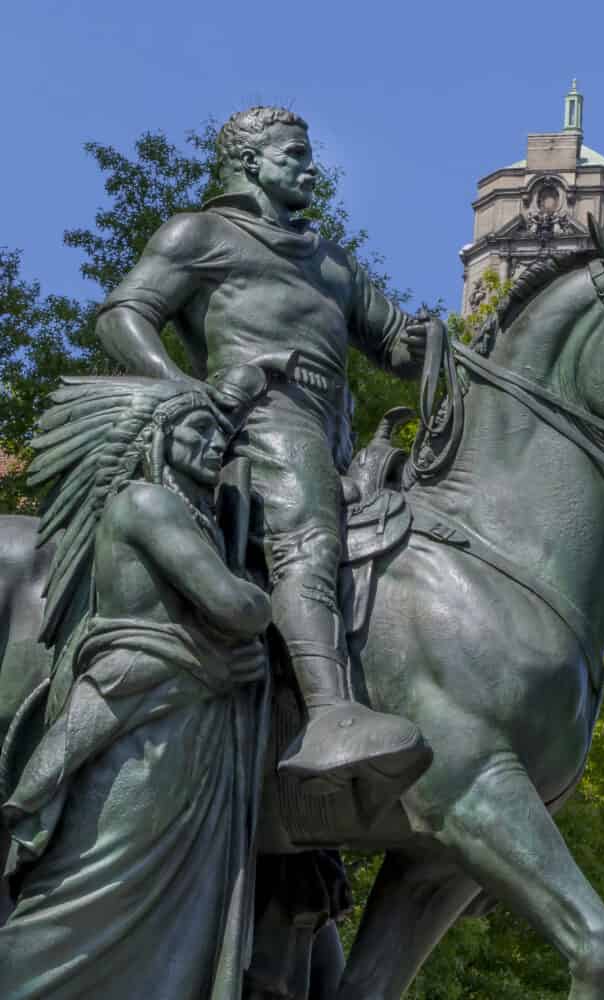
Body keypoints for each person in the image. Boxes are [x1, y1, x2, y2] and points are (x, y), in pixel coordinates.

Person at [94, 105, 436, 792]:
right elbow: (123, 314)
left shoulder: (331, 262)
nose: (311, 168)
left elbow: (395, 344)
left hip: (334, 430)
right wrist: (183, 389)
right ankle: (330, 713)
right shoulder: (201, 233)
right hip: (258, 416)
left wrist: (442, 343)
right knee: (306, 530)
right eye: (294, 154)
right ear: (250, 162)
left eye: (309, 155)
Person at [0, 374, 271, 999]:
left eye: (221, 438)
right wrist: (263, 593)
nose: (214, 447)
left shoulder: (196, 517)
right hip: (144, 711)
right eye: (199, 432)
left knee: (177, 911)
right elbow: (236, 609)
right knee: (97, 884)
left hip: (190, 718)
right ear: (158, 435)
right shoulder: (147, 504)